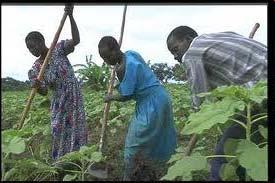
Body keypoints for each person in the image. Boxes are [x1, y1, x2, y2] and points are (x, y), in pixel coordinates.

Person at [166, 26, 267, 181]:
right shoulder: (221, 36)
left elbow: (199, 96)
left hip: (260, 92)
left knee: (222, 159)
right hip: (259, 90)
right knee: (251, 149)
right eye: (172, 53)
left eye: (175, 49)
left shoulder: (191, 53)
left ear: (188, 39)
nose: (175, 56)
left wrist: (199, 117)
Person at [98, 36, 177, 181]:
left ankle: (128, 176)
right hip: (161, 97)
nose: (106, 61)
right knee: (159, 136)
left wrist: (110, 97)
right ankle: (155, 169)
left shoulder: (122, 69)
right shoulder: (131, 53)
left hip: (151, 104)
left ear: (115, 50)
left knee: (134, 142)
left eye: (108, 57)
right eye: (103, 58)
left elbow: (126, 95)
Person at [25, 5, 88, 161]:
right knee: (57, 129)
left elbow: (76, 40)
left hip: (73, 95)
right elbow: (44, 91)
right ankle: (59, 160)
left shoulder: (58, 48)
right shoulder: (36, 68)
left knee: (76, 127)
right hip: (58, 100)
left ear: (41, 41)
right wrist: (38, 86)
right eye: (28, 48)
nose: (31, 50)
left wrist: (71, 16)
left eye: (33, 46)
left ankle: (77, 159)